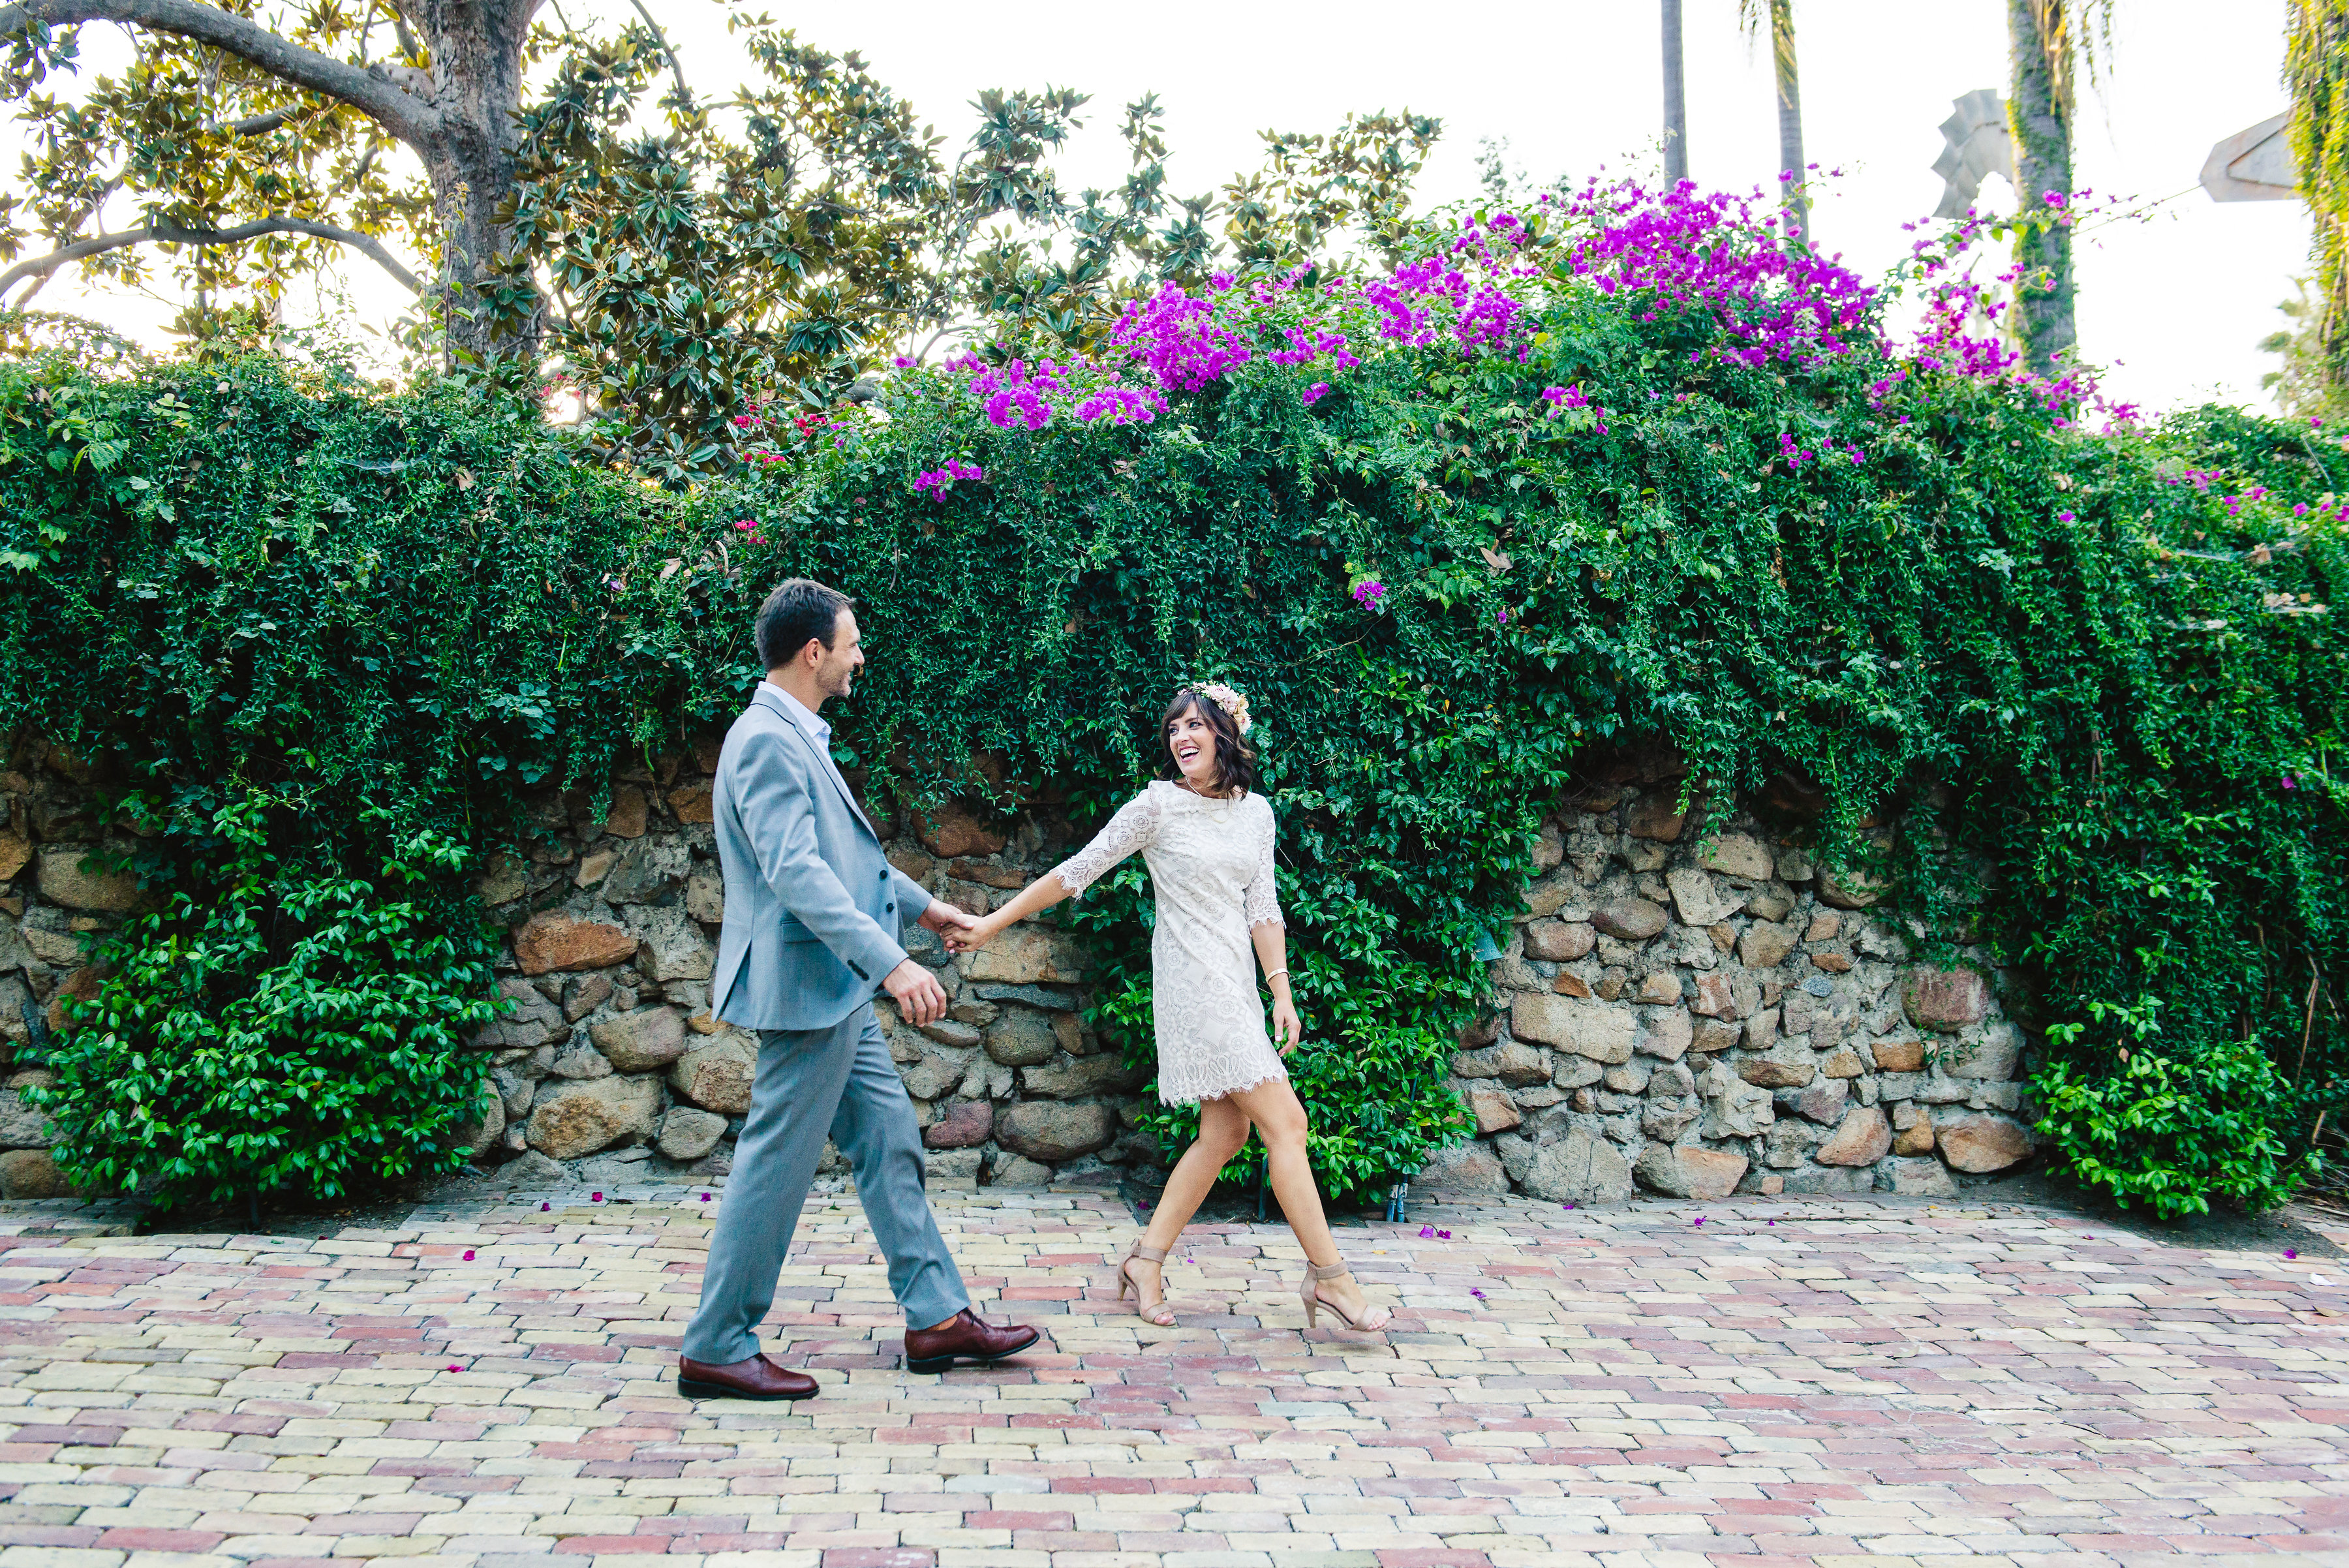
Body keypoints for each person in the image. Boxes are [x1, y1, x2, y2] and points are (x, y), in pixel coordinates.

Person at [677, 578, 1041, 1399]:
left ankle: (937, 1316)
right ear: (814, 653)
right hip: (810, 988)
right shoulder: (766, 741)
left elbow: (845, 861)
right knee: (776, 1164)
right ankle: (717, 1345)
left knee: (887, 1138)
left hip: (832, 988)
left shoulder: (793, 732)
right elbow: (797, 873)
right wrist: (891, 963)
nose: (860, 656)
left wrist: (924, 907)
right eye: (851, 644)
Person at [948, 682, 1391, 1332]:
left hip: (1238, 985)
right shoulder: (1157, 806)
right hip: (1194, 987)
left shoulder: (1257, 813)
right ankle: (1332, 1279)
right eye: (1174, 728)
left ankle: (1145, 1260)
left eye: (1195, 725)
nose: (1181, 737)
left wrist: (1282, 991)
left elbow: (1262, 907)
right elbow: (1076, 870)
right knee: (1288, 1124)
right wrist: (992, 923)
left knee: (1226, 1135)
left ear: (1225, 734)